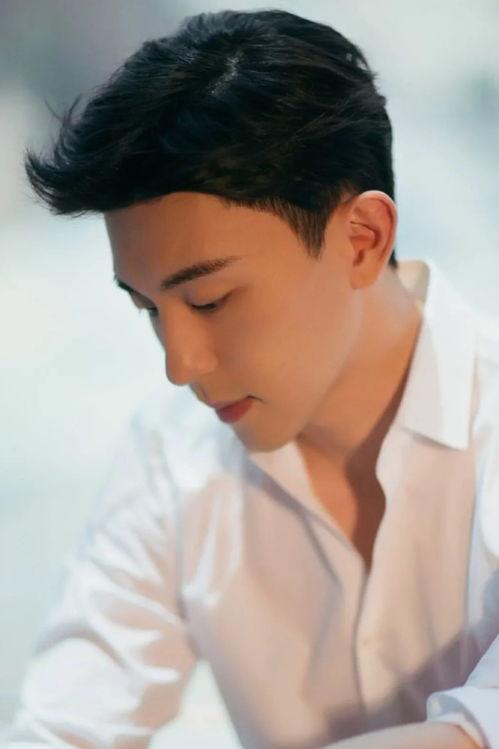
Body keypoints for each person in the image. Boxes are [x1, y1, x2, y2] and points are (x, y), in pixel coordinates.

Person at [6, 8, 499, 749]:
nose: (180, 364)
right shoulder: (173, 459)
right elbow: (63, 728)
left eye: (209, 300)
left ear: (362, 239)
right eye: (148, 309)